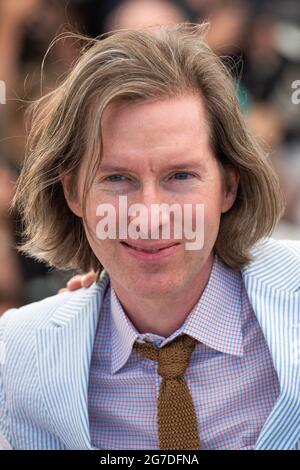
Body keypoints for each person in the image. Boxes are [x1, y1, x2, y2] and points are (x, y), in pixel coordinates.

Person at [0, 23, 299, 450]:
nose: (148, 216)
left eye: (180, 175)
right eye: (118, 178)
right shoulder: (19, 356)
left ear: (228, 186)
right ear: (72, 191)